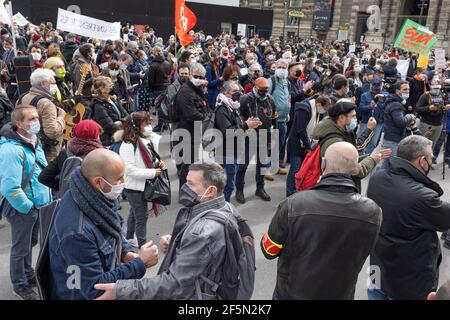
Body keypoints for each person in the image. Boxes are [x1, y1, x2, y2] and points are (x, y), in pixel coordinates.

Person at [94, 162, 254, 300]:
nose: (184, 188)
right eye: (186, 182)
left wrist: (120, 290)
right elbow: (212, 254)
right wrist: (180, 243)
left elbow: (174, 283)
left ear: (210, 191)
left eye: (191, 184)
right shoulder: (226, 207)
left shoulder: (202, 232)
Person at [262, 142, 382, 299]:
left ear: (323, 163)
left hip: (292, 294)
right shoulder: (372, 212)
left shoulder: (294, 204)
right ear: (355, 169)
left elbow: (269, 250)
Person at [47, 149, 159, 300]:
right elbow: (93, 288)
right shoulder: (77, 233)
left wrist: (125, 252)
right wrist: (139, 263)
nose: (123, 183)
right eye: (119, 178)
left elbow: (113, 223)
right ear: (98, 181)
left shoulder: (90, 195)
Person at [367, 135, 450, 300]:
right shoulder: (422, 197)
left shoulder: (377, 178)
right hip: (409, 281)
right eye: (431, 158)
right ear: (421, 161)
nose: (432, 160)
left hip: (377, 266)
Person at [0, 105, 51, 300]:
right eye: (31, 119)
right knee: (20, 247)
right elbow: (10, 187)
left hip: (36, 204)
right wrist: (28, 207)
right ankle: (19, 284)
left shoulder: (33, 141)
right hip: (22, 207)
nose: (36, 122)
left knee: (31, 241)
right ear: (18, 123)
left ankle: (28, 274)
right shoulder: (11, 150)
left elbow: (40, 171)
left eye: (36, 117)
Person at [312, 99, 390, 191]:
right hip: (340, 190)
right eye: (353, 116)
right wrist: (373, 159)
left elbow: (351, 154)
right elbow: (354, 171)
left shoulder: (337, 131)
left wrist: (370, 156)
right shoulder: (336, 143)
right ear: (341, 118)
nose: (355, 120)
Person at [117, 111, 164, 248]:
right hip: (134, 187)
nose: (149, 126)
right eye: (146, 123)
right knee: (141, 217)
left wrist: (158, 162)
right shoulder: (128, 144)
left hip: (142, 184)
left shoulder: (145, 139)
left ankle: (129, 238)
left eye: (150, 123)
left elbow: (150, 157)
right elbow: (129, 169)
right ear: (136, 126)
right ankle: (143, 246)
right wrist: (152, 172)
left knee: (134, 212)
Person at [214, 81, 262, 202]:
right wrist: (245, 125)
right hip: (226, 152)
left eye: (239, 90)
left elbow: (236, 125)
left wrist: (247, 125)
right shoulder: (222, 109)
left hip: (234, 150)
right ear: (226, 93)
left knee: (228, 183)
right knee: (228, 185)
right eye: (235, 91)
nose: (239, 93)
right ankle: (222, 209)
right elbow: (228, 132)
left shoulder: (232, 106)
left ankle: (223, 207)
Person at [235, 77, 276, 203]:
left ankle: (260, 188)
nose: (265, 92)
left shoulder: (270, 99)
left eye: (266, 89)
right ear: (255, 87)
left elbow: (273, 118)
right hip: (248, 137)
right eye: (262, 89)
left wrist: (272, 137)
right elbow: (237, 117)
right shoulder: (245, 99)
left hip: (264, 135)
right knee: (243, 165)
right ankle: (239, 189)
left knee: (262, 164)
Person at [38, 120, 103, 196]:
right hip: (92, 200)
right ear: (96, 135)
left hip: (69, 200)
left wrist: (63, 186)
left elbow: (43, 177)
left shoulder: (65, 153)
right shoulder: (101, 155)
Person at [286, 95, 331, 197]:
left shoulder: (315, 110)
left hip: (304, 144)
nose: (324, 111)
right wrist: (309, 145)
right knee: (295, 169)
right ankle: (290, 193)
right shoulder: (304, 109)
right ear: (319, 104)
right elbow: (300, 130)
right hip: (296, 144)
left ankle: (296, 190)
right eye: (324, 109)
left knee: (300, 169)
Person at [173, 62, 208, 190]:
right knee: (187, 165)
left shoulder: (195, 89)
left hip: (193, 132)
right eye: (197, 77)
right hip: (186, 133)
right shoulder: (185, 91)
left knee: (191, 163)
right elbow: (191, 114)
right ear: (191, 75)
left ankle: (187, 189)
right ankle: (184, 192)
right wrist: (204, 115)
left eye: (202, 77)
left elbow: (204, 105)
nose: (200, 80)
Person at [21, 68, 66, 162]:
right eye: (52, 83)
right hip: (48, 152)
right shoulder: (46, 104)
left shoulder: (23, 97)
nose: (55, 86)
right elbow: (52, 132)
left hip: (25, 146)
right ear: (43, 84)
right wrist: (61, 117)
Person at [380, 80, 417, 169]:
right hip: (393, 141)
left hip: (390, 139)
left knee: (386, 166)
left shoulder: (394, 102)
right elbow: (400, 122)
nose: (407, 91)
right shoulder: (396, 105)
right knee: (394, 167)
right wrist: (410, 116)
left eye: (408, 89)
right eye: (404, 89)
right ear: (397, 91)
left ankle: (377, 182)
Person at [90, 76, 128, 146]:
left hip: (119, 136)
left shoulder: (113, 99)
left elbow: (126, 115)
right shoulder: (98, 106)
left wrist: (121, 122)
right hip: (109, 141)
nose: (112, 88)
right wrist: (125, 134)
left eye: (111, 85)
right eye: (109, 86)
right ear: (102, 89)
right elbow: (109, 126)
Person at [268, 59, 290, 178]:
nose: (282, 69)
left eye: (284, 67)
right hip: (273, 119)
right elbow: (266, 98)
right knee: (271, 144)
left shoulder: (287, 82)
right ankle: (267, 169)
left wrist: (287, 112)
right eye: (280, 67)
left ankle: (275, 166)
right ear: (275, 68)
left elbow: (288, 97)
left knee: (280, 144)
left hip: (283, 119)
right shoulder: (271, 81)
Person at [357, 76, 389, 154]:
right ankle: (360, 157)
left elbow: (387, 108)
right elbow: (360, 108)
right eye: (374, 84)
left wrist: (379, 103)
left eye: (378, 84)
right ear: (371, 85)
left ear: (381, 85)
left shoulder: (385, 95)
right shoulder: (365, 95)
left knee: (373, 143)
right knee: (361, 141)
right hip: (366, 122)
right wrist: (370, 106)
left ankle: (367, 157)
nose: (376, 86)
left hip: (378, 122)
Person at [416, 81, 450, 150]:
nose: (437, 90)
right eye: (435, 88)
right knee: (422, 145)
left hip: (438, 124)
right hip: (426, 124)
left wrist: (447, 106)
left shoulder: (442, 95)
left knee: (432, 145)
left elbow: (446, 104)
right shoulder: (425, 95)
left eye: (438, 88)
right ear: (431, 87)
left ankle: (429, 160)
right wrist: (428, 108)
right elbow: (417, 109)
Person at [148, 46, 171, 132]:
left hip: (157, 88)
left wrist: (151, 89)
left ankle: (160, 125)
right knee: (164, 107)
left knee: (159, 107)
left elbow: (151, 80)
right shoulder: (167, 63)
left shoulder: (153, 65)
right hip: (166, 87)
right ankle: (163, 124)